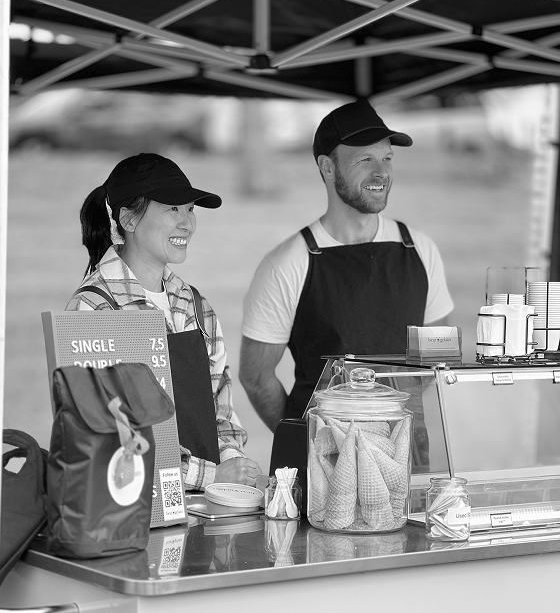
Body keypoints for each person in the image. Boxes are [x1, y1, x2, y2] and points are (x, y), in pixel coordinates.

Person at [240, 99, 454, 430]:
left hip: (406, 447)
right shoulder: (288, 264)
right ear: (327, 167)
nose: (381, 172)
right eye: (365, 159)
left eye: (387, 158)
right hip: (324, 455)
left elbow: (438, 359)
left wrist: (393, 436)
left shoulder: (420, 249)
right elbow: (256, 376)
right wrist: (304, 441)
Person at [67, 152, 261, 490]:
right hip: (130, 511)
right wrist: (211, 476)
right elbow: (107, 439)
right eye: (172, 208)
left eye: (190, 209)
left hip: (205, 506)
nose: (187, 223)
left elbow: (220, 410)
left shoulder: (196, 307)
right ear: (128, 219)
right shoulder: (94, 309)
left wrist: (233, 463)